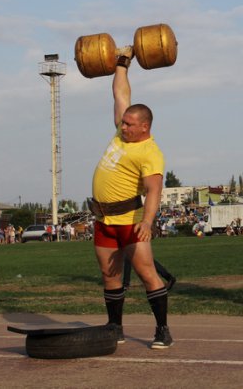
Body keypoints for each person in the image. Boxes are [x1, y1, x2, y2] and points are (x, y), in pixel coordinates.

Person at [89, 46, 172, 349]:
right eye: (122, 123)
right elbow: (120, 94)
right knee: (109, 276)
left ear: (144, 127)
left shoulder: (151, 152)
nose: (121, 126)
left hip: (131, 221)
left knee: (148, 274)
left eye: (127, 124)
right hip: (103, 219)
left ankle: (162, 330)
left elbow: (153, 190)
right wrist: (123, 64)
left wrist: (148, 221)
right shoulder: (122, 134)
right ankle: (115, 328)